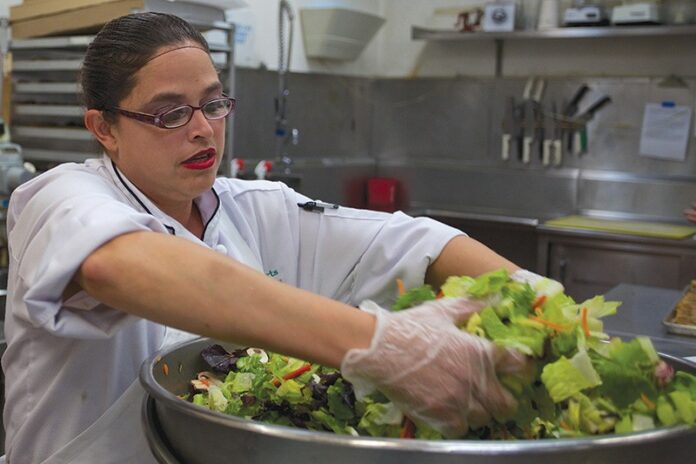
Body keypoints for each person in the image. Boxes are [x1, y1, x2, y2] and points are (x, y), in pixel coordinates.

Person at [1, 12, 538, 464]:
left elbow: (416, 241)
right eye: (170, 114)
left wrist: (541, 305)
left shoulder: (255, 208)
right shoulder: (59, 197)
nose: (202, 129)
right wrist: (379, 345)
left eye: (213, 104)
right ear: (104, 128)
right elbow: (115, 265)